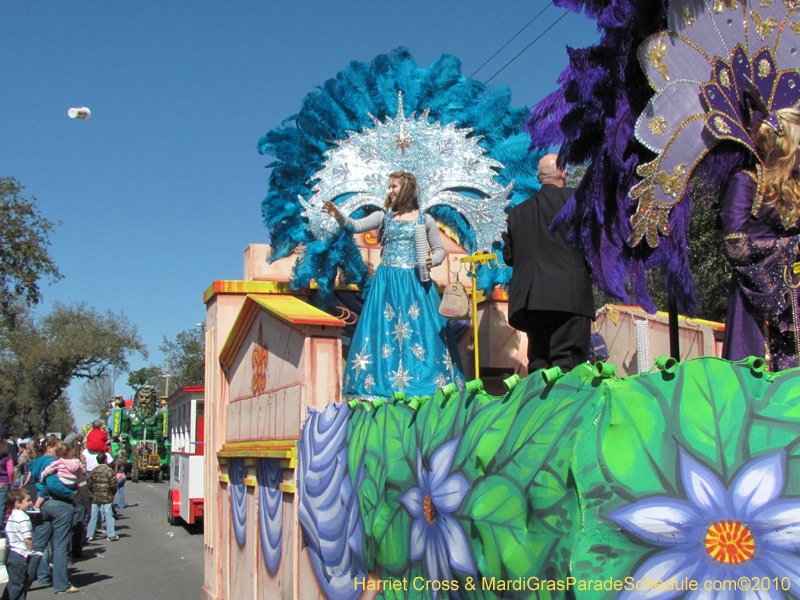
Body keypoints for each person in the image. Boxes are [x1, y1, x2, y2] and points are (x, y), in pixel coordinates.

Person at [322, 171, 465, 398]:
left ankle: (427, 385)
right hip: (386, 284)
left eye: (394, 186)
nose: (390, 190)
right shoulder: (383, 217)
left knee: (421, 334)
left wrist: (431, 260)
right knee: (383, 333)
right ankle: (379, 386)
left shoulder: (424, 220)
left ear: (406, 188)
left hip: (416, 284)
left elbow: (439, 251)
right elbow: (352, 226)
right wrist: (338, 215)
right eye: (389, 186)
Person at [721, 107, 800, 370]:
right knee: (758, 382)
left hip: (795, 296)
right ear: (787, 145)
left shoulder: (795, 187)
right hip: (754, 296)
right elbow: (736, 248)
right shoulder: (747, 181)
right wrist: (790, 247)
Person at [502, 154, 595, 373]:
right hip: (569, 299)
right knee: (568, 366)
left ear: (538, 177)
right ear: (565, 173)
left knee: (538, 363)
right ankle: (564, 406)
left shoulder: (517, 213)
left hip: (532, 302)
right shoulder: (579, 202)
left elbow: (509, 256)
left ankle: (539, 406)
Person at [27, 437, 79, 594]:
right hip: (60, 504)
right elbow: (53, 485)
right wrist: (71, 494)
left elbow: (39, 480)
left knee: (38, 545)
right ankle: (61, 584)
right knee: (60, 546)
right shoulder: (56, 463)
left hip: (43, 503)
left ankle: (24, 581)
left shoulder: (37, 462)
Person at [2, 488, 40, 600]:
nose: (30, 503)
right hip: (20, 555)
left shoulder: (12, 516)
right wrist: (32, 551)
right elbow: (27, 539)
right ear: (17, 503)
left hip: (12, 553)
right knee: (17, 585)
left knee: (17, 584)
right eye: (28, 500)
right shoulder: (23, 518)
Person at [33, 444, 83, 511]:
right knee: (76, 489)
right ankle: (73, 501)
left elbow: (49, 469)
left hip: (63, 481)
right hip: (72, 483)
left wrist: (42, 476)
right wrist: (77, 478)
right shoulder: (76, 462)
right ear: (70, 453)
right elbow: (80, 471)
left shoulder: (59, 462)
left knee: (46, 489)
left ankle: (37, 504)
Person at [86, 453, 117, 542]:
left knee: (93, 516)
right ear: (105, 460)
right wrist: (112, 493)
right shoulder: (109, 471)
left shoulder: (93, 471)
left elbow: (89, 483)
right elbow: (113, 484)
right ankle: (111, 534)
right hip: (107, 495)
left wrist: (94, 491)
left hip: (96, 496)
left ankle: (89, 534)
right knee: (108, 515)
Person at [0, 441, 13, 510]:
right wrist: (10, 483)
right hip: (4, 482)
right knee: (1, 506)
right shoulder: (7, 455)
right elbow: (10, 471)